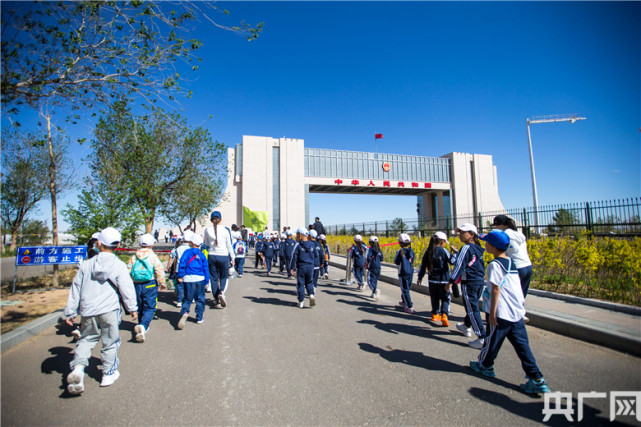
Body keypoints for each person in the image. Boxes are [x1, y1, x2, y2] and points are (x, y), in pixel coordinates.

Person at [470, 229, 551, 395]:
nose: (485, 244)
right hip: (516, 312)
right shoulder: (511, 263)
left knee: (492, 340)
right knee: (522, 346)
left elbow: (496, 289)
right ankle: (536, 378)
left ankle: (485, 365)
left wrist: (492, 313)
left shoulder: (494, 265)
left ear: (492, 247)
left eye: (487, 242)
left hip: (501, 312)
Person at [64, 227, 138, 395]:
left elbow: (76, 287)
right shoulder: (118, 265)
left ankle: (78, 368)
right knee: (110, 341)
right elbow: (126, 288)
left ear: (98, 243)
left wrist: (70, 311)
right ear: (118, 245)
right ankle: (108, 373)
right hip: (110, 309)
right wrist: (132, 308)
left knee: (86, 339)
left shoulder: (86, 264)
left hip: (88, 310)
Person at [450, 223, 486, 349]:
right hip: (479, 281)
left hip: (469, 282)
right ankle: (466, 326)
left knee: (471, 309)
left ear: (472, 234)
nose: (460, 235)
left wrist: (451, 281)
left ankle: (482, 337)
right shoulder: (478, 248)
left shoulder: (466, 248)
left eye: (463, 232)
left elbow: (459, 266)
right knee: (473, 306)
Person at [127, 233, 166, 343]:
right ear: (152, 244)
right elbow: (159, 270)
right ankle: (143, 326)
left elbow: (128, 270)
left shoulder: (134, 257)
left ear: (139, 244)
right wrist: (162, 283)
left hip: (136, 284)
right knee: (150, 307)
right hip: (150, 283)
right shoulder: (153, 257)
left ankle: (140, 323)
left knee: (140, 305)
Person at [417, 231, 454, 327]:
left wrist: (420, 277)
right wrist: (455, 253)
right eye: (445, 242)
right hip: (443, 280)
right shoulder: (443, 251)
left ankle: (435, 314)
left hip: (432, 280)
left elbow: (423, 266)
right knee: (445, 298)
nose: (445, 244)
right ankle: (444, 315)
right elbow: (453, 261)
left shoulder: (428, 251)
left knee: (434, 298)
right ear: (442, 241)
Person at [492, 215, 533, 299]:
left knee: (512, 296)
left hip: (517, 267)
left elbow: (502, 250)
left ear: (500, 226)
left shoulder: (505, 235)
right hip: (528, 266)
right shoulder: (518, 233)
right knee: (522, 295)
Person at [177, 234, 209, 329]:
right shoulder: (202, 254)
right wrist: (206, 280)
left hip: (188, 279)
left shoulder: (187, 252)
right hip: (200, 279)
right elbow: (205, 268)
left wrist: (180, 275)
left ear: (192, 243)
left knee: (187, 298)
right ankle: (199, 317)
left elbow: (182, 263)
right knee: (200, 298)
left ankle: (185, 312)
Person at [204, 211, 234, 308]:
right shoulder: (225, 230)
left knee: (213, 278)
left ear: (211, 220)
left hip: (212, 256)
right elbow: (229, 245)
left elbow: (207, 245)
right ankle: (221, 292)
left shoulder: (207, 230)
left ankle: (216, 298)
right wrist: (232, 257)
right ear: (220, 219)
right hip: (223, 255)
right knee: (224, 277)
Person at [290, 227, 318, 308]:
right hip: (310, 267)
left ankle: (301, 301)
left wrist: (292, 267)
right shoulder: (312, 245)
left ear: (300, 235)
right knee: (309, 282)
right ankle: (311, 295)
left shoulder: (298, 245)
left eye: (297, 235)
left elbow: (294, 257)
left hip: (301, 267)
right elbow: (316, 255)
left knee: (301, 284)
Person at [395, 233, 416, 313]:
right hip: (410, 271)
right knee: (407, 288)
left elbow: (396, 262)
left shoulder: (399, 251)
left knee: (404, 289)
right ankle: (404, 301)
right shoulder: (412, 251)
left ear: (400, 243)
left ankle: (410, 306)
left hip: (403, 272)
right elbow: (412, 261)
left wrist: (400, 256)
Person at [168, 235, 191, 307]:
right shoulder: (191, 248)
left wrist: (174, 269)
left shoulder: (177, 249)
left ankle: (179, 301)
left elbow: (175, 260)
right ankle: (189, 298)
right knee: (188, 285)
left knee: (180, 285)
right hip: (188, 269)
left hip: (179, 269)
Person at [365, 236, 383, 300]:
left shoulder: (370, 249)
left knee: (369, 281)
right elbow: (381, 258)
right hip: (378, 267)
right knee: (375, 280)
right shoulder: (379, 250)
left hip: (372, 266)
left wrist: (367, 263)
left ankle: (375, 290)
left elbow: (367, 258)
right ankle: (374, 293)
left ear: (370, 243)